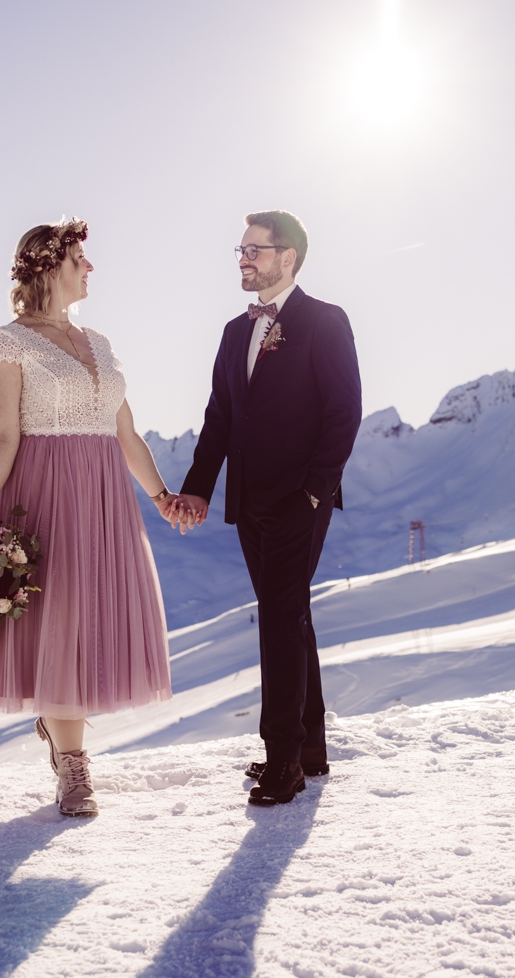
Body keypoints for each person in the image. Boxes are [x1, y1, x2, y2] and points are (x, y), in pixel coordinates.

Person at [0, 218, 173, 818]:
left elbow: (125, 430)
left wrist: (161, 496)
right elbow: (2, 432)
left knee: (91, 619)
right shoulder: (7, 342)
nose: (90, 268)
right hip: (44, 494)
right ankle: (74, 768)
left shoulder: (100, 343)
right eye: (80, 259)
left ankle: (62, 737)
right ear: (49, 267)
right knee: (59, 617)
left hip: (106, 494)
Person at [164, 211, 363, 806]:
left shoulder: (326, 322)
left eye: (256, 249)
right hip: (247, 502)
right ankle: (308, 750)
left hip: (300, 501)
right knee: (289, 615)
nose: (244, 258)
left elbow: (343, 412)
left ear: (289, 257)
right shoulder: (233, 332)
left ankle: (283, 762)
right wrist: (199, 487)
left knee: (279, 619)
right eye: (241, 249)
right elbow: (220, 417)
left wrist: (314, 492)